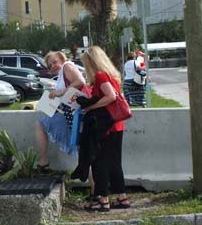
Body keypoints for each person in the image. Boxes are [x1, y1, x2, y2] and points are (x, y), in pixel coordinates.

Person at [79, 46, 130, 212]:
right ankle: (122, 198)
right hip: (117, 124)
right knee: (115, 162)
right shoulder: (110, 75)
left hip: (106, 126)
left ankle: (103, 200)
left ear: (91, 63)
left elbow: (111, 96)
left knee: (99, 161)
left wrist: (91, 106)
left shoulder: (100, 76)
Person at [35, 51, 86, 174]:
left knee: (83, 150)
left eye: (54, 62)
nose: (53, 66)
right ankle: (43, 161)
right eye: (50, 65)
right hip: (69, 113)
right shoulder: (62, 74)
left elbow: (80, 82)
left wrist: (59, 92)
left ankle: (43, 161)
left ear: (62, 59)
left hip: (75, 114)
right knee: (41, 124)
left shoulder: (67, 66)